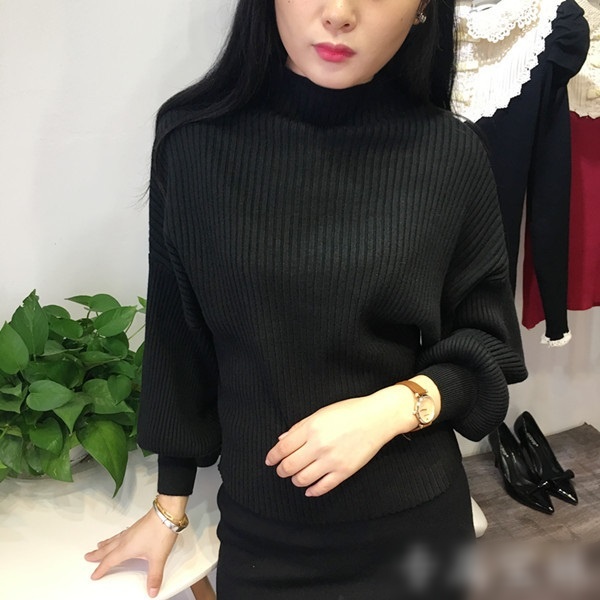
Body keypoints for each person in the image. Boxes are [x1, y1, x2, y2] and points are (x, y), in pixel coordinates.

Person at [85, 1, 528, 598]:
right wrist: (170, 504)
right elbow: (178, 338)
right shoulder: (193, 144)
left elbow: (489, 348)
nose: (339, 12)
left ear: (424, 8)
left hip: (417, 529)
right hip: (265, 538)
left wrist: (387, 411)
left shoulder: (451, 153)